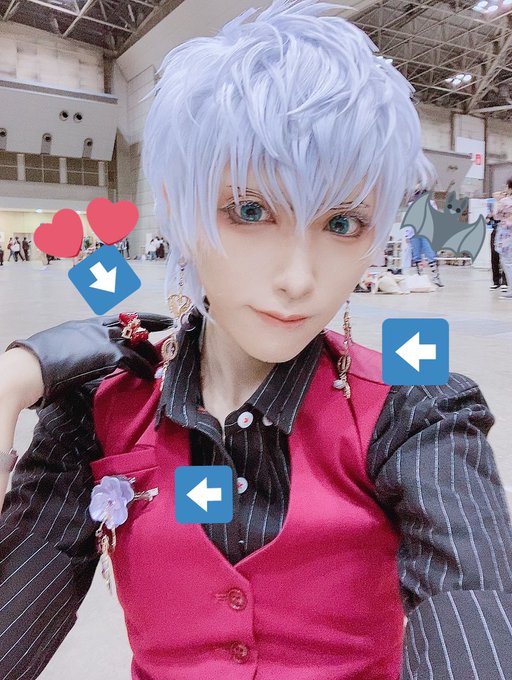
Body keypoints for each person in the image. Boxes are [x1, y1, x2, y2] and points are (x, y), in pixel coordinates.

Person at [0, 2, 511, 679]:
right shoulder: (99, 409)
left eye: (343, 223)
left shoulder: (418, 413)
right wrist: (9, 382)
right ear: (177, 207)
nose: (299, 279)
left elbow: (472, 604)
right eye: (250, 210)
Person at [494, 178, 512, 300]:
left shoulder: (505, 201)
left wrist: (498, 201)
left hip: (506, 234)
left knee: (507, 262)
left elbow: (496, 216)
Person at [487, 211, 507, 290]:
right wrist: (490, 218)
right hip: (496, 233)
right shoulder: (495, 211)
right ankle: (496, 281)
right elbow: (488, 222)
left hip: (506, 234)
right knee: (494, 257)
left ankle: (505, 282)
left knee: (505, 259)